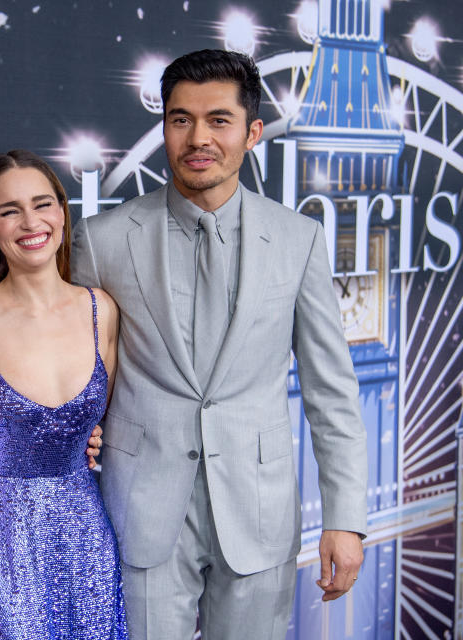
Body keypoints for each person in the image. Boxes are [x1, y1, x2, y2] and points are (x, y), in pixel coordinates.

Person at [70, 49, 368, 639]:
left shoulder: (298, 240)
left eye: (218, 120)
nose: (197, 137)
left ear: (253, 132)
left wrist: (346, 520)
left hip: (258, 509)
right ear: (164, 129)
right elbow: (75, 371)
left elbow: (331, 393)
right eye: (181, 120)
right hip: (141, 508)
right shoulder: (101, 240)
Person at [0, 150, 127, 639]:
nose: (31, 222)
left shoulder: (102, 311)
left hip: (85, 536)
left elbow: (103, 424)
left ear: (62, 213)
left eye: (42, 204)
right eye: (9, 211)